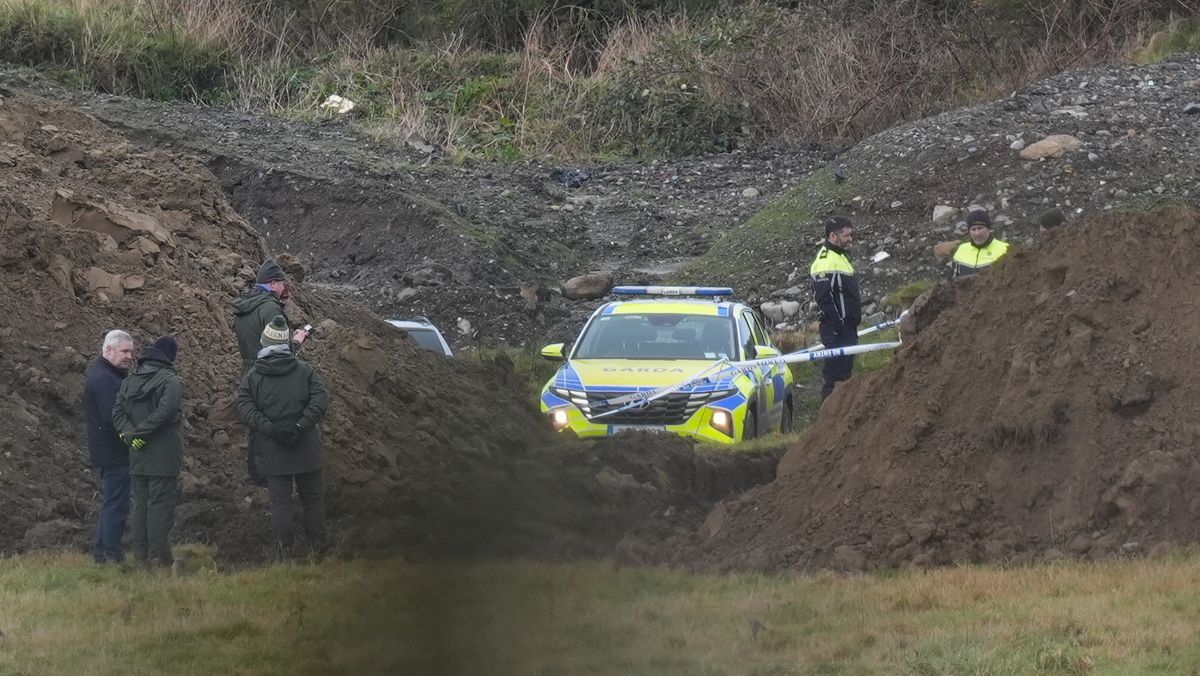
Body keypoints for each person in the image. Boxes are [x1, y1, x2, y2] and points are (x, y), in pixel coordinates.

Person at [238, 316, 330, 558]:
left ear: (264, 343)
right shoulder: (304, 370)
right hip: (306, 447)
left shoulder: (253, 377)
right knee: (312, 499)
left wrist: (271, 429)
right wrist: (301, 425)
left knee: (280, 502)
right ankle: (318, 548)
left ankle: (283, 551)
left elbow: (246, 409)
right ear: (286, 343)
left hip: (272, 450)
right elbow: (320, 399)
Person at [232, 259, 308, 486]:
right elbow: (280, 349)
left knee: (256, 424)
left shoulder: (244, 306)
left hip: (248, 370)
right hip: (269, 372)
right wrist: (297, 340)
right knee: (275, 422)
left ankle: (257, 475)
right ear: (273, 283)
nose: (285, 287)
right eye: (282, 282)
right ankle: (275, 477)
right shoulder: (270, 308)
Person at [112, 335, 184, 568]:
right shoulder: (170, 381)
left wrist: (131, 434)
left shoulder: (129, 381)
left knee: (141, 505)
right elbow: (165, 414)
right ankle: (158, 558)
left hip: (138, 454)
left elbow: (117, 412)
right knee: (160, 506)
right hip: (164, 454)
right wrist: (140, 433)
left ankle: (140, 557)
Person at [84, 330, 135, 564]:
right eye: (125, 351)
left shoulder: (108, 374)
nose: (129, 356)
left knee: (113, 503)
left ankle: (102, 554)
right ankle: (112, 555)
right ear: (108, 350)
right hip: (113, 452)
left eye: (131, 352)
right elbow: (111, 416)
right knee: (116, 505)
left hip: (110, 451)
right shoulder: (106, 379)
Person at [810, 215, 861, 400]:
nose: (850, 239)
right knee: (833, 379)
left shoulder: (840, 257)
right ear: (833, 236)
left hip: (847, 328)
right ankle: (826, 423)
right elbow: (824, 298)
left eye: (850, 235)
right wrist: (838, 326)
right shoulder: (826, 260)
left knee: (844, 377)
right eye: (846, 236)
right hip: (837, 330)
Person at [948, 209, 1010, 279]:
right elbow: (951, 281)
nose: (977, 233)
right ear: (969, 231)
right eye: (973, 229)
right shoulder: (962, 249)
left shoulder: (1005, 249)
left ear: (988, 229)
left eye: (980, 228)